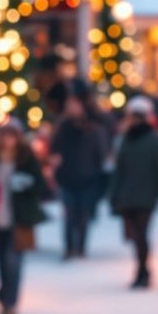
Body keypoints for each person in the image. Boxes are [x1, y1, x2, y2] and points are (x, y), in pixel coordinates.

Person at [0, 122, 50, 314]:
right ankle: (5, 294)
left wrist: (25, 184)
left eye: (11, 136)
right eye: (4, 136)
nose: (7, 141)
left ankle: (10, 302)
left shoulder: (26, 159)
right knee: (1, 261)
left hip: (19, 218)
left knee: (13, 261)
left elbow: (40, 184)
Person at [108, 97, 158, 289]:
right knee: (134, 235)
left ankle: (143, 270)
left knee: (141, 235)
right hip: (128, 194)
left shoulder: (153, 140)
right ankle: (142, 269)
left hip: (146, 195)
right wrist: (114, 193)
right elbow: (119, 169)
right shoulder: (126, 140)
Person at [52, 95, 110, 259]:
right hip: (67, 177)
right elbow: (55, 149)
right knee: (69, 215)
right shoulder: (62, 127)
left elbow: (100, 153)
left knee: (83, 215)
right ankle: (70, 247)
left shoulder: (93, 128)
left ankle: (81, 247)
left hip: (87, 177)